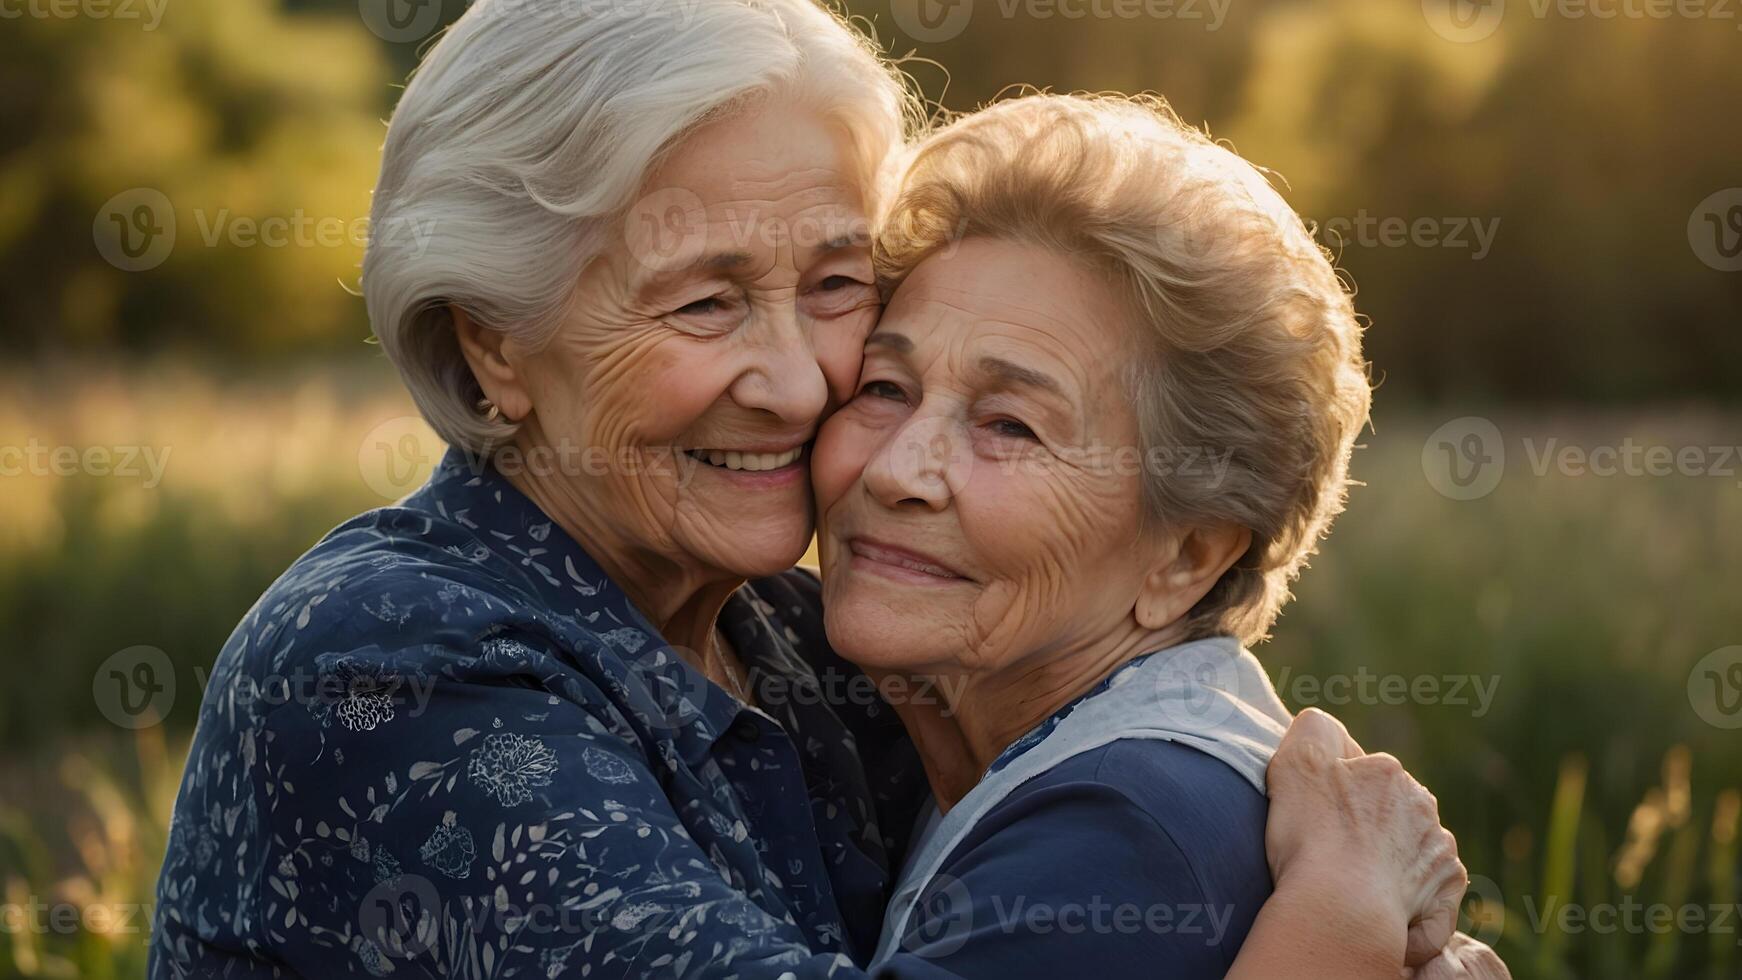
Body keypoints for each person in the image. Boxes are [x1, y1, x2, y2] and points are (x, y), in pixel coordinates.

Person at [150, 3, 1498, 977]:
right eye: (706, 301)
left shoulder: (801, 644)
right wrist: (1333, 929)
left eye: (838, 285)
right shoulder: (386, 658)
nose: (798, 385)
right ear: (493, 342)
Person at [811, 92, 1503, 978]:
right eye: (883, 388)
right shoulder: (1027, 747)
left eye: (1011, 426)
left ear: (1186, 557)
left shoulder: (1122, 834)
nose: (896, 469)